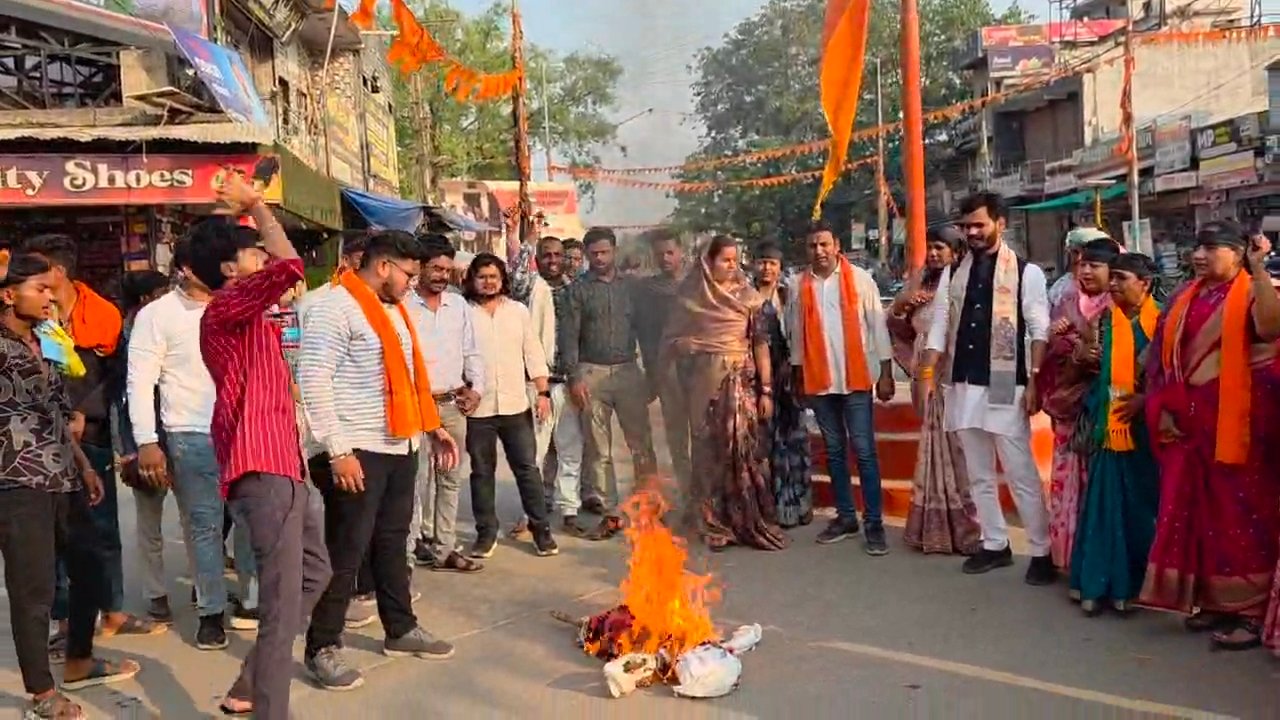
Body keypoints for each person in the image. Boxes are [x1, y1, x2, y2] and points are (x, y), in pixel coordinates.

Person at [192, 176, 334, 719]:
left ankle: (250, 684)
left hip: (285, 465)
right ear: (231, 269)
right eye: (254, 252)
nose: (264, 259)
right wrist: (258, 207)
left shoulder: (250, 317)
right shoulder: (227, 308)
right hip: (263, 468)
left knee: (315, 573)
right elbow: (292, 267)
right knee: (279, 606)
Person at [298, 230, 461, 691]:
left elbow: (406, 379)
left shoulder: (393, 309)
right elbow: (314, 380)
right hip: (356, 449)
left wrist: (431, 426)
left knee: (392, 543)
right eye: (409, 274)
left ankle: (400, 628)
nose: (413, 283)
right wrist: (338, 450)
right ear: (383, 266)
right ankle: (322, 646)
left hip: (399, 445)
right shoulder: (334, 307)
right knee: (346, 551)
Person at [0, 253, 139, 720]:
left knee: (92, 566)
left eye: (50, 288)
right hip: (16, 481)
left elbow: (62, 406)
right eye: (38, 289)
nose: (49, 296)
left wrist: (83, 466)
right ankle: (42, 693)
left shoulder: (47, 338)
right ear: (8, 295)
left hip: (62, 472)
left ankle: (79, 658)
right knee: (33, 590)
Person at [21, 233, 166, 651]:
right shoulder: (29, 315)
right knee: (57, 533)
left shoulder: (102, 314)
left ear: (58, 271)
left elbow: (118, 375)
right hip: (43, 438)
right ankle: (65, 620)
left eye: (38, 269)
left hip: (94, 434)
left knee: (102, 528)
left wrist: (86, 411)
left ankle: (113, 610)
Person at [1141, 220, 1280, 651]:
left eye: (1211, 248)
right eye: (1197, 247)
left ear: (1238, 253)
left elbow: (1271, 329)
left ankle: (1250, 611)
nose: (1199, 256)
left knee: (1243, 516)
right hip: (1189, 425)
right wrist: (1161, 405)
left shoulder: (1254, 290)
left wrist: (1259, 269)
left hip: (1239, 428)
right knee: (1200, 516)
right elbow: (1160, 358)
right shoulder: (1185, 296)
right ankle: (1216, 602)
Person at [128, 238, 259, 650]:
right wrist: (147, 441)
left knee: (251, 520)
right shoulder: (157, 315)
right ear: (186, 267)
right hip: (190, 434)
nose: (228, 270)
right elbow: (140, 381)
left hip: (244, 430)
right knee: (204, 526)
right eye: (219, 262)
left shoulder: (239, 304)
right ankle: (210, 612)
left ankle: (251, 601)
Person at [918, 193, 1054, 584]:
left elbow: (1039, 328)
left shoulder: (1026, 272)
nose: (972, 232)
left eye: (979, 224)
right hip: (963, 383)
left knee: (1020, 472)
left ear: (1000, 224)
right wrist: (926, 374)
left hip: (1005, 384)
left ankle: (1041, 550)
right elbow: (940, 325)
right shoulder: (955, 272)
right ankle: (995, 543)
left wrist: (1034, 380)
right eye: (966, 226)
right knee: (978, 473)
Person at [662, 236, 787, 551]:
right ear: (708, 261)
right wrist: (685, 346)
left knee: (741, 449)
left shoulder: (749, 297)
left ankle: (744, 519)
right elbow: (670, 342)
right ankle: (713, 521)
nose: (732, 266)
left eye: (735, 260)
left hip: (741, 383)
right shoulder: (689, 296)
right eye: (725, 260)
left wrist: (766, 391)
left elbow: (760, 345)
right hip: (702, 385)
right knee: (707, 451)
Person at [788, 220, 895, 555]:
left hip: (856, 380)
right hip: (820, 381)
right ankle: (846, 517)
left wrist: (887, 372)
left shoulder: (860, 280)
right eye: (812, 246)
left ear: (836, 246)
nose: (819, 251)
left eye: (824, 244)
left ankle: (874, 523)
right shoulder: (798, 286)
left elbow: (878, 327)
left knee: (864, 451)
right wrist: (798, 377)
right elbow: (796, 336)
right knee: (834, 451)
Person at [1068, 252, 1162, 616]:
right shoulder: (1106, 321)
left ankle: (1131, 587)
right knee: (1103, 509)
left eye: (1122, 278)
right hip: (1110, 426)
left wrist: (1146, 400)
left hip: (1147, 432)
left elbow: (1176, 373)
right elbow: (1095, 372)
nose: (1114, 285)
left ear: (1145, 284)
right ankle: (1096, 585)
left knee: (1140, 510)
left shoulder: (1162, 322)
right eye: (1114, 278)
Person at [887, 224, 980, 555]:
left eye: (941, 248)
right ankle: (935, 525)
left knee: (960, 450)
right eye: (931, 247)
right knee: (932, 448)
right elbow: (898, 328)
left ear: (957, 252)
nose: (934, 253)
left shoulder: (967, 283)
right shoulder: (920, 283)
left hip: (956, 375)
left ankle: (969, 527)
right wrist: (903, 306)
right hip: (924, 375)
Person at [561, 227, 658, 541]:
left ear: (614, 251)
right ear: (587, 254)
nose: (600, 258)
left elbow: (646, 332)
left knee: (641, 444)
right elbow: (568, 338)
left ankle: (647, 508)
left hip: (629, 370)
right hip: (592, 373)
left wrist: (651, 374)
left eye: (605, 252)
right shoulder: (577, 290)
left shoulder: (632, 288)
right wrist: (575, 377)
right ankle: (611, 513)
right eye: (594, 254)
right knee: (599, 450)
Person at [463, 253, 559, 558]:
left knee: (527, 469)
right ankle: (486, 533)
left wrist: (543, 393)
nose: (488, 282)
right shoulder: (463, 313)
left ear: (502, 279)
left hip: (515, 406)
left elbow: (533, 351)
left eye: (493, 276)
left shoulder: (518, 311)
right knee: (482, 472)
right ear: (472, 280)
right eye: (482, 277)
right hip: (478, 409)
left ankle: (541, 530)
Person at [1038, 236, 1120, 570]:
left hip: (1108, 414)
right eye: (1082, 264)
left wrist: (1084, 343)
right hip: (1068, 409)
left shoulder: (1122, 306)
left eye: (1094, 265)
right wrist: (1063, 344)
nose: (1085, 271)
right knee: (1066, 481)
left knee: (1100, 487)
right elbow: (1050, 360)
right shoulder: (1066, 303)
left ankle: (1099, 561)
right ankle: (1069, 557)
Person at [409, 236, 486, 572]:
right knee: (415, 482)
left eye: (447, 269)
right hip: (415, 406)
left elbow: (472, 351)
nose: (442, 275)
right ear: (420, 267)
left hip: (453, 404)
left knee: (450, 478)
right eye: (436, 268)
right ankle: (409, 551)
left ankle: (444, 549)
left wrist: (477, 389)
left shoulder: (457, 305)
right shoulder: (404, 305)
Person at [511, 236, 586, 538]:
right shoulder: (530, 288)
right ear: (538, 259)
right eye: (546, 255)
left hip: (568, 382)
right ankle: (529, 513)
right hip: (537, 384)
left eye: (557, 255)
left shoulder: (575, 290)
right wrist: (525, 241)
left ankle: (570, 511)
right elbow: (516, 278)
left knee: (570, 449)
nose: (553, 260)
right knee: (534, 452)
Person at [753, 241, 812, 529]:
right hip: (757, 380)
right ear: (753, 264)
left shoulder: (790, 296)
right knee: (764, 443)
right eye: (762, 262)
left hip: (789, 379)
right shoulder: (745, 297)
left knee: (794, 442)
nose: (767, 268)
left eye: (772, 263)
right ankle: (769, 507)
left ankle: (799, 504)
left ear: (780, 267)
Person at [636, 229, 692, 484]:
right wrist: (653, 375)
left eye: (670, 252)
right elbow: (645, 335)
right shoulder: (648, 290)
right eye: (660, 254)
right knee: (676, 434)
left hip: (700, 369)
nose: (665, 258)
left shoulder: (698, 285)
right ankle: (686, 489)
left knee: (703, 434)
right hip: (668, 370)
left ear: (681, 252)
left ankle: (706, 492)